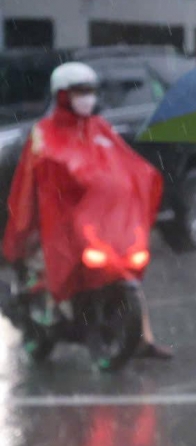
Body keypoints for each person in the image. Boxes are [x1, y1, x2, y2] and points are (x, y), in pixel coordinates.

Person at [3, 61, 167, 359]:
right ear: (63, 95)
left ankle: (144, 339)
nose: (87, 97)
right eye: (80, 91)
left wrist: (143, 183)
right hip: (58, 225)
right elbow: (35, 178)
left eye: (91, 90)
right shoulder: (45, 133)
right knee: (46, 270)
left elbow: (125, 166)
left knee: (128, 275)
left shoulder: (100, 128)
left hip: (97, 223)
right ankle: (42, 316)